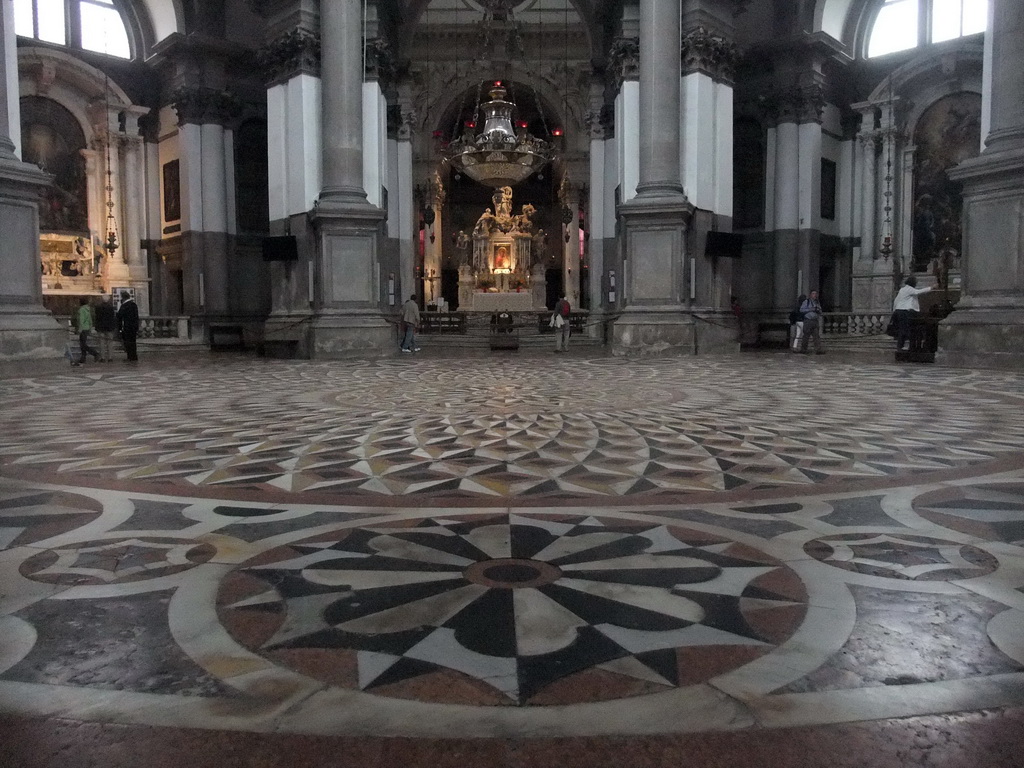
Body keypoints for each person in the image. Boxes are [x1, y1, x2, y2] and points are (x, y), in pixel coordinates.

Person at [892, 275, 933, 352]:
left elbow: (896, 300)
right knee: (905, 329)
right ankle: (902, 346)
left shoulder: (902, 289)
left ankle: (901, 346)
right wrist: (931, 288)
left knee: (902, 329)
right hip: (904, 311)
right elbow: (918, 292)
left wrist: (895, 310)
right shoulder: (909, 289)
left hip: (899, 310)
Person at [75, 298, 101, 365]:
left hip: (83, 328)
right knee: (83, 344)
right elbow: (90, 319)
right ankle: (83, 357)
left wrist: (80, 329)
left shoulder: (81, 310)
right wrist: (90, 327)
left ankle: (95, 353)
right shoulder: (88, 309)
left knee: (83, 344)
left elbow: (81, 320)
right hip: (87, 328)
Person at [115, 291, 140, 362]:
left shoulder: (124, 306)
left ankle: (130, 357)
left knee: (128, 343)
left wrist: (119, 328)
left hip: (127, 327)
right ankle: (134, 356)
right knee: (133, 342)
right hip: (134, 327)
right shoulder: (134, 305)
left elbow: (119, 316)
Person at [798, 290, 824, 354]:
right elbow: (801, 310)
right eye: (813, 294)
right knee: (806, 335)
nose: (815, 295)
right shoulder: (806, 302)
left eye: (816, 294)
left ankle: (818, 349)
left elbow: (820, 311)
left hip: (815, 321)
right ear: (810, 295)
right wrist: (810, 309)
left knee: (816, 336)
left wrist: (818, 310)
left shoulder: (817, 303)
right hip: (808, 320)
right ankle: (803, 349)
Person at [94, 297, 117, 362]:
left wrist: (96, 327)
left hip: (101, 327)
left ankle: (103, 357)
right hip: (109, 327)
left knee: (101, 343)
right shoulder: (111, 308)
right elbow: (113, 318)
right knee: (110, 343)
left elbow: (97, 318)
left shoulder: (98, 308)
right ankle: (110, 357)